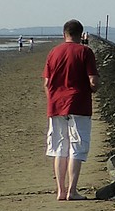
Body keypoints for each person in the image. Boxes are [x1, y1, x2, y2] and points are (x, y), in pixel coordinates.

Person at [42, 19, 98, 201]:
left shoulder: (54, 52)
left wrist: (52, 99)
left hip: (56, 105)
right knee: (77, 146)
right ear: (81, 35)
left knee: (59, 147)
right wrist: (94, 86)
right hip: (79, 104)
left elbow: (47, 83)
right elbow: (93, 82)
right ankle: (72, 191)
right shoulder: (85, 51)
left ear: (64, 33)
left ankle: (61, 190)